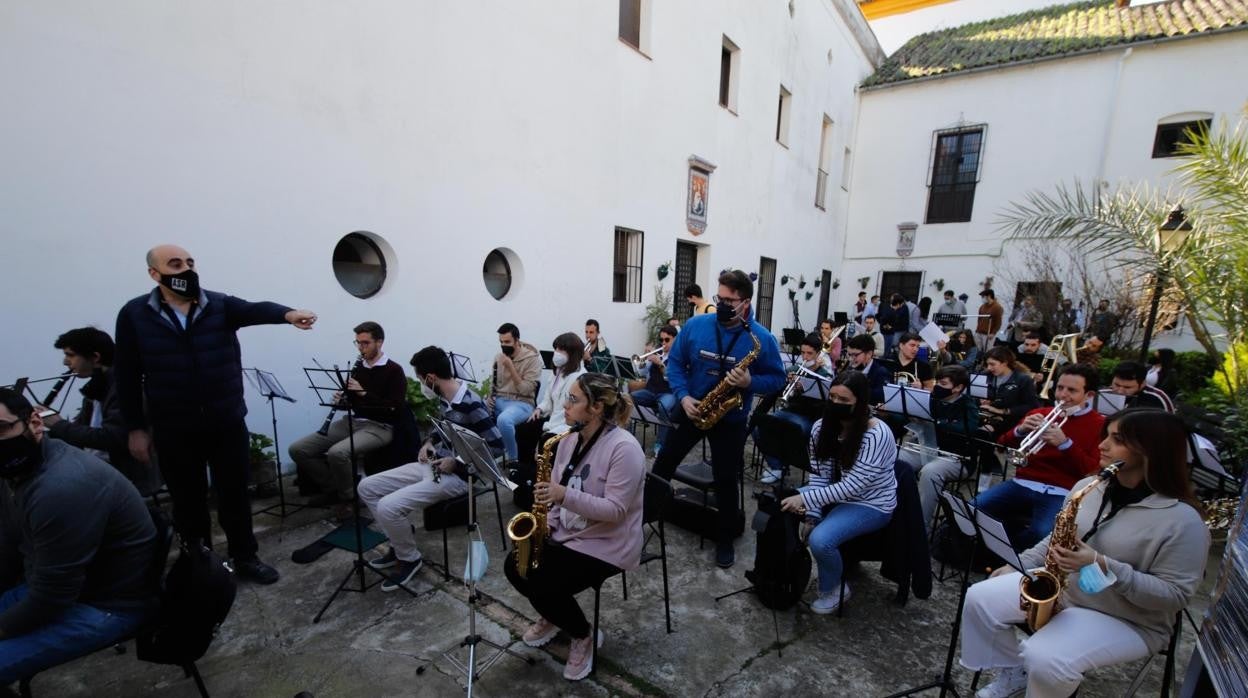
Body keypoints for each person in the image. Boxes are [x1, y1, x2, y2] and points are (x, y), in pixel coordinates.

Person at [964, 409, 1210, 698]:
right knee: (979, 598)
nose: (1102, 445)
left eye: (1116, 439)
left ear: (1151, 450)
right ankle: (1015, 673)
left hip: (1128, 618)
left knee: (1046, 658)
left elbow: (1175, 596)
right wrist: (1019, 565)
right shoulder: (1089, 487)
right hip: (1069, 592)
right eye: (1105, 435)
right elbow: (1055, 540)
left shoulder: (1184, 521)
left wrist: (1102, 564)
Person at [114, 244, 316, 584]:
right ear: (154, 273)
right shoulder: (135, 315)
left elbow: (255, 309)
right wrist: (135, 427)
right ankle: (201, 566)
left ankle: (245, 558)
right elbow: (127, 374)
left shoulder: (218, 304)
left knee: (234, 495)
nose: (186, 270)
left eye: (190, 263)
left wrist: (288, 314)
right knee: (188, 502)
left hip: (225, 421)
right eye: (175, 264)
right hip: (174, 426)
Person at [0, 389, 158, 684]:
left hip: (106, 606)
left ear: (34, 422)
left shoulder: (59, 487)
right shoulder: (18, 473)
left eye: (1, 429)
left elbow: (51, 598)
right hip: (53, 587)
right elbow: (10, 544)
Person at [505, 373, 645, 681]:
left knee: (544, 582)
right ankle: (556, 615)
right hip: (570, 532)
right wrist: (546, 527)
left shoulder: (625, 449)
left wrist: (563, 495)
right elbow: (553, 496)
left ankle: (583, 635)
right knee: (516, 566)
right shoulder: (567, 440)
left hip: (609, 542)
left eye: (572, 400)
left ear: (596, 408)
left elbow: (616, 511)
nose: (564, 406)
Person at [652, 270, 786, 568]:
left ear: (745, 303)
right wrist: (684, 396)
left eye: (730, 300)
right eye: (719, 298)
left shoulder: (761, 339)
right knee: (663, 465)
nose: (723, 304)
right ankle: (646, 518)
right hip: (693, 407)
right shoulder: (696, 325)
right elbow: (675, 364)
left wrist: (750, 381)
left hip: (731, 417)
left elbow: (777, 379)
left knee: (726, 480)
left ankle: (724, 539)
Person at [357, 346, 504, 591]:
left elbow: (497, 447)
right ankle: (399, 540)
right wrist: (429, 443)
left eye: (420, 378)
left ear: (431, 378)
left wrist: (456, 462)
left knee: (387, 506)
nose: (421, 384)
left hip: (460, 478)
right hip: (434, 466)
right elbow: (442, 428)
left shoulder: (471, 404)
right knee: (367, 486)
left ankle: (408, 558)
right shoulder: (445, 400)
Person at [779, 371, 897, 615]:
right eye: (832, 397)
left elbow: (854, 486)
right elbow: (820, 475)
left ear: (860, 403)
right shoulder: (822, 427)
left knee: (821, 540)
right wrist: (812, 514)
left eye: (844, 401)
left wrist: (806, 499)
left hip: (871, 504)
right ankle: (781, 575)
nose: (835, 404)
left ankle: (834, 589)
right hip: (838, 495)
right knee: (777, 505)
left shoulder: (877, 434)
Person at [975, 364, 1105, 552]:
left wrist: (1065, 444)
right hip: (1023, 483)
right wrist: (1020, 430)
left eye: (1072, 390)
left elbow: (1091, 470)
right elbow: (1003, 444)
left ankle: (1010, 559)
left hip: (1063, 491)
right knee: (973, 508)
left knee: (1042, 533)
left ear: (1089, 395)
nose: (1062, 395)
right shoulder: (1039, 413)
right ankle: (991, 551)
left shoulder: (1099, 425)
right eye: (1060, 388)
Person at [288, 322, 407, 507]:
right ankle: (335, 488)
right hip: (352, 421)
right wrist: (342, 400)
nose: (361, 348)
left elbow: (395, 408)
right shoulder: (358, 368)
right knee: (298, 449)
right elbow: (354, 404)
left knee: (337, 453)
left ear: (380, 342)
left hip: (380, 426)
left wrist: (364, 393)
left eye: (365, 343)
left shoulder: (394, 370)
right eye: (358, 343)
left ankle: (348, 497)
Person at [36, 327, 150, 492]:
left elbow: (112, 438)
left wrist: (58, 424)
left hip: (124, 475)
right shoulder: (96, 388)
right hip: (99, 467)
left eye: (70, 355)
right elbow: (79, 433)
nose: (65, 362)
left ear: (95, 357)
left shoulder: (123, 387)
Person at [899, 366, 979, 529]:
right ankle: (896, 512)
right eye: (937, 382)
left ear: (958, 388)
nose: (937, 387)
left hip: (956, 457)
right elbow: (905, 416)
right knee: (897, 460)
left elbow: (969, 428)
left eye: (943, 383)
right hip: (927, 448)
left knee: (930, 472)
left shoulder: (968, 404)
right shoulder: (932, 398)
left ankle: (920, 527)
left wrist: (937, 423)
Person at [759, 333, 832, 484]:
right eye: (803, 352)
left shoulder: (824, 375)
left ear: (818, 354)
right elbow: (776, 388)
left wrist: (804, 389)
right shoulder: (794, 368)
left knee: (792, 430)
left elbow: (823, 405)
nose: (805, 357)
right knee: (758, 425)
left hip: (808, 416)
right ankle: (777, 467)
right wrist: (785, 381)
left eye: (809, 353)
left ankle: (786, 463)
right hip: (788, 411)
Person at [489, 322, 542, 462]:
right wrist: (490, 398)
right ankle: (487, 454)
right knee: (477, 411)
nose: (503, 345)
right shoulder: (498, 357)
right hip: (501, 400)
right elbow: (494, 385)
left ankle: (512, 459)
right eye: (501, 342)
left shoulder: (532, 359)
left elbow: (526, 389)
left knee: (504, 420)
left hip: (522, 403)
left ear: (517, 341)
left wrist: (510, 367)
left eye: (507, 342)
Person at [625, 326, 677, 454]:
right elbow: (642, 372)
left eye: (667, 340)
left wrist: (660, 364)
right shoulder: (658, 354)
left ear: (675, 339)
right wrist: (643, 361)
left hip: (668, 392)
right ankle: (628, 438)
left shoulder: (678, 356)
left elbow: (672, 378)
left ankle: (661, 444)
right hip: (651, 391)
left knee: (663, 407)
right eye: (661, 340)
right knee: (627, 399)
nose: (663, 343)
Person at [533, 333, 590, 437]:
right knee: (523, 429)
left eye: (561, 350)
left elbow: (567, 410)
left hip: (565, 424)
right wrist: (539, 409)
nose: (556, 353)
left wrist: (549, 429)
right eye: (556, 349)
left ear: (573, 353)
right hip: (552, 418)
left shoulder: (579, 377)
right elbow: (548, 398)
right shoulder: (558, 371)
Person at [976, 347, 1040, 439]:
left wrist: (1004, 411)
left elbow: (1032, 406)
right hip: (984, 415)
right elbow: (973, 396)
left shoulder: (1023, 380)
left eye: (992, 364)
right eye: (987, 364)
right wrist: (981, 400)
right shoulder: (984, 375)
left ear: (1005, 362)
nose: (989, 368)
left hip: (1009, 420)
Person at [1108, 361, 1174, 412]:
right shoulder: (1105, 393)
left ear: (1143, 384)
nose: (1120, 391)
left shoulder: (1157, 398)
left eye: (1127, 387)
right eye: (1117, 385)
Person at [845, 334, 891, 405]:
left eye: (855, 355)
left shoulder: (881, 372)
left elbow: (880, 397)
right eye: (849, 355)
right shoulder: (848, 368)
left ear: (869, 354)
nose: (851, 359)